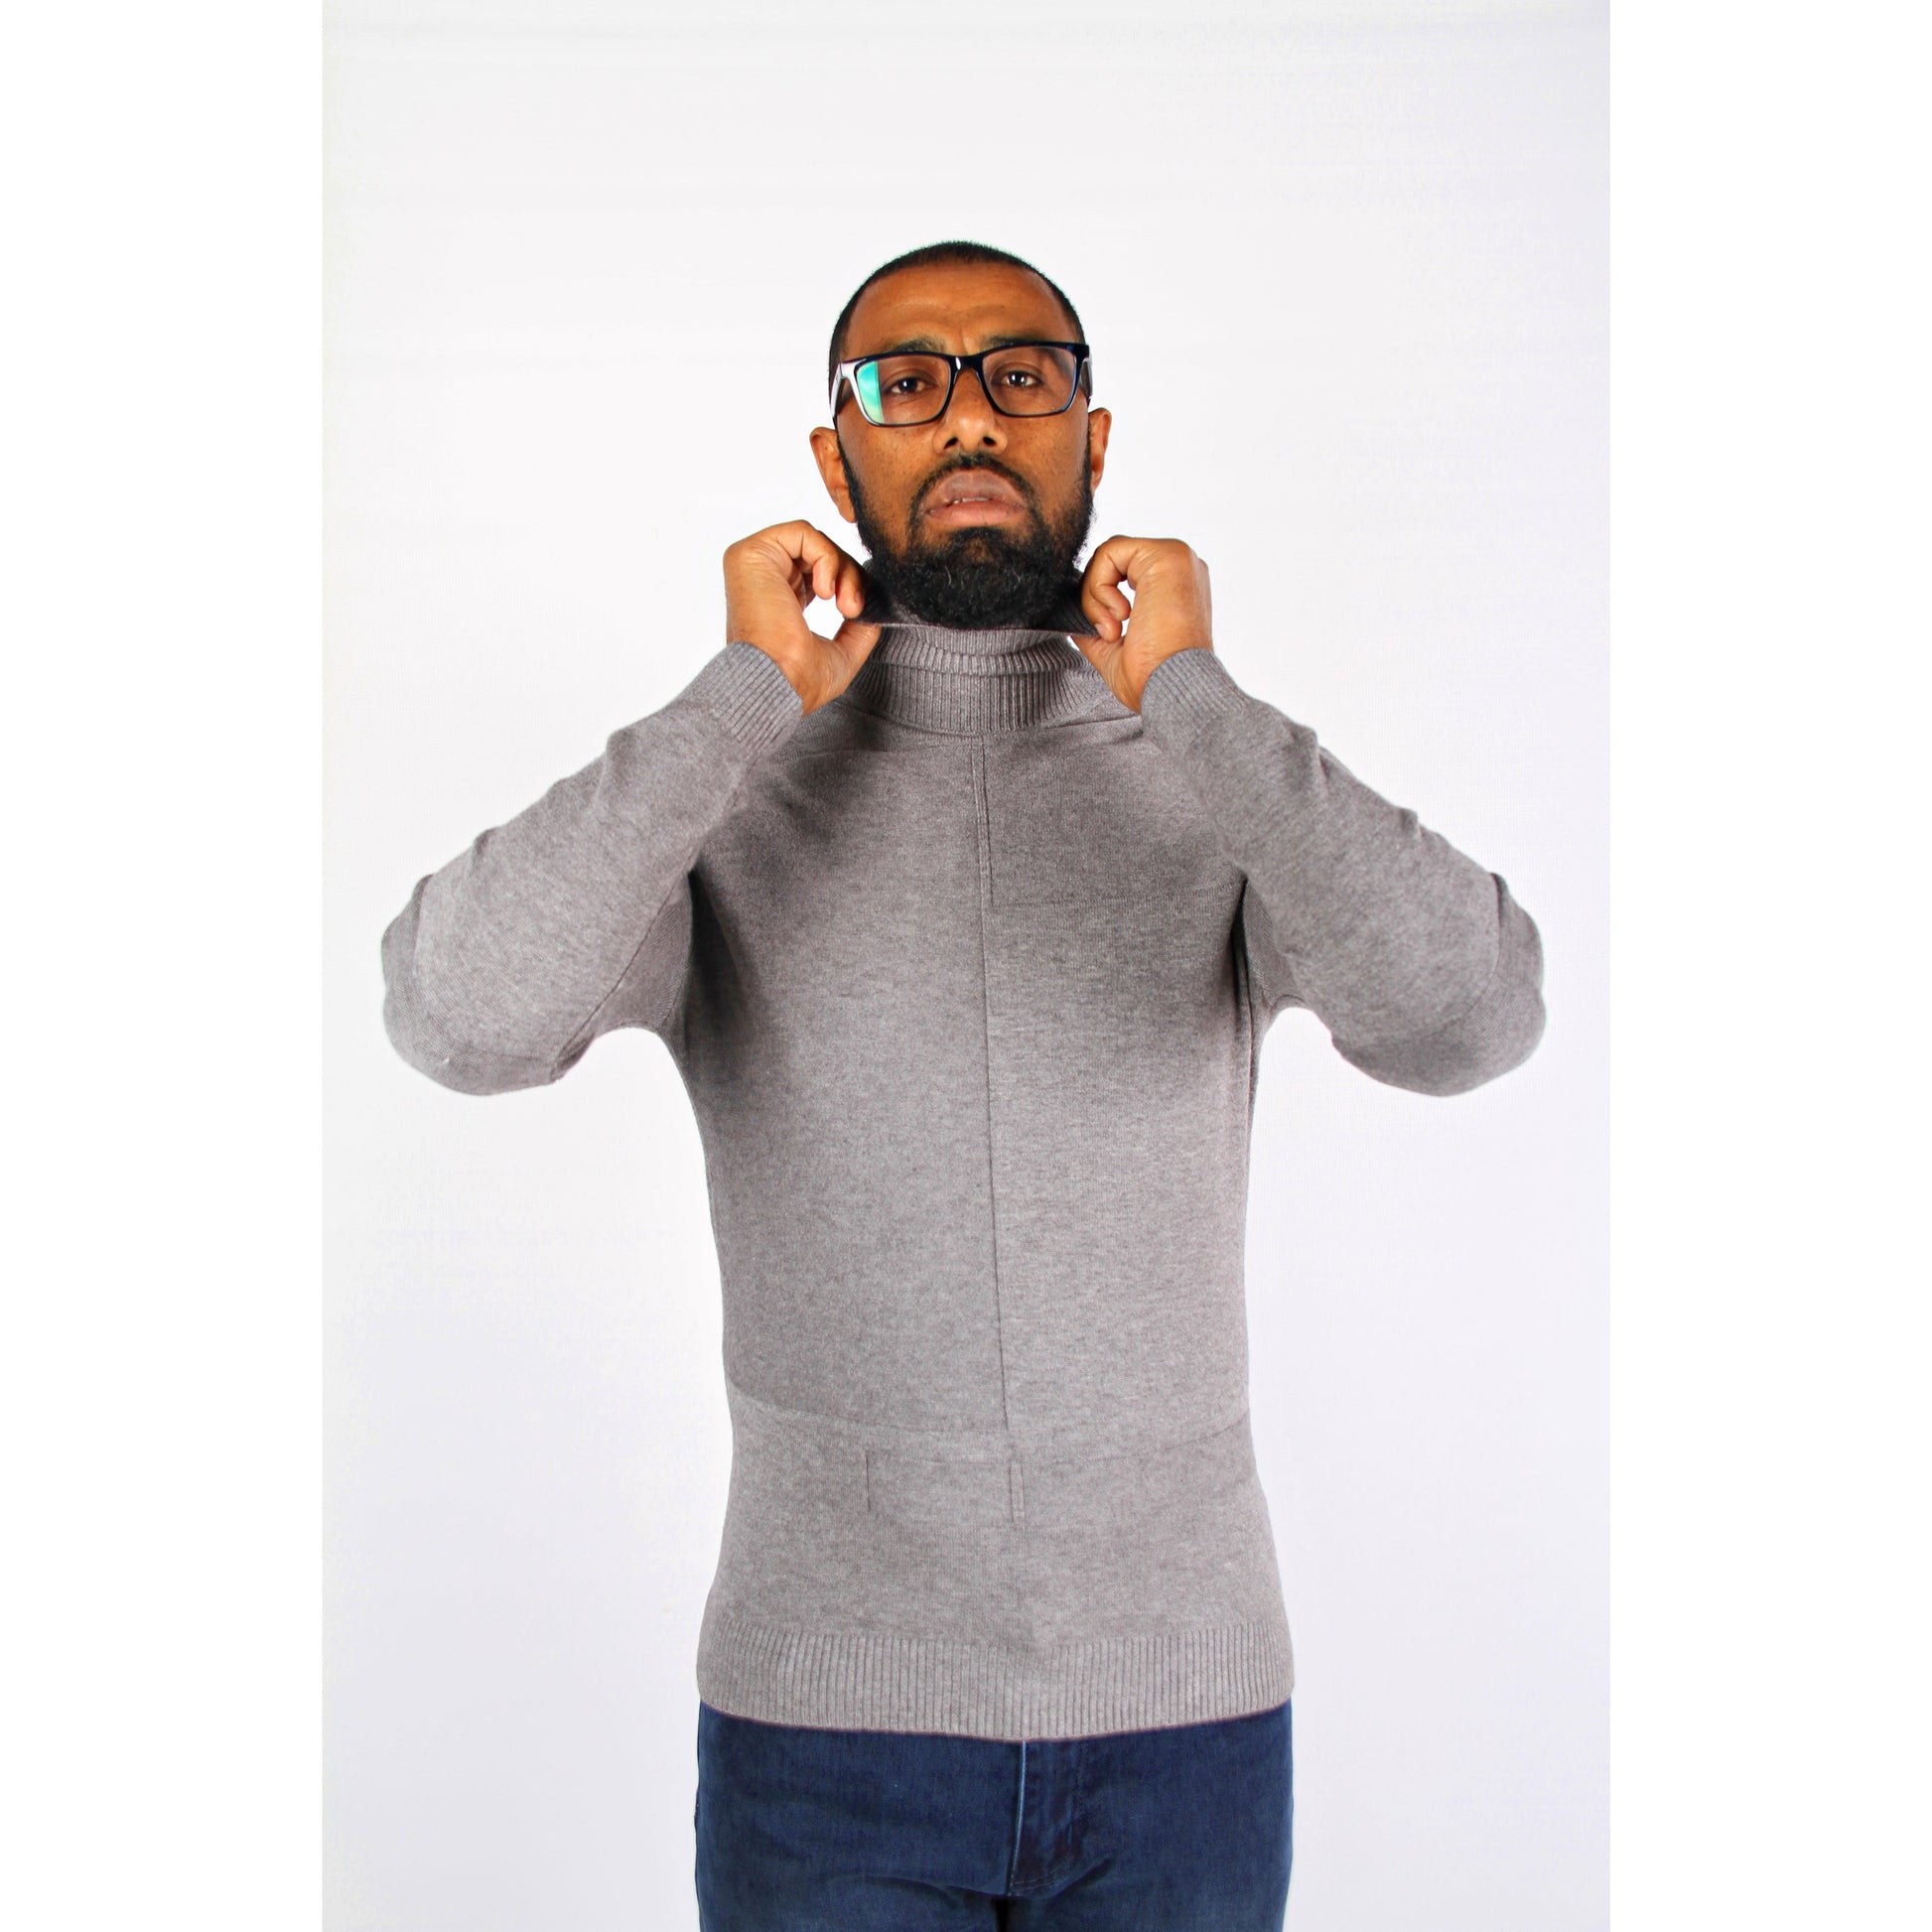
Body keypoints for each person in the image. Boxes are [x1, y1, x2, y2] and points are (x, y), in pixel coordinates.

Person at [380, 239, 1547, 1930]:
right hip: (822, 1720)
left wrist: (1195, 696)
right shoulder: (733, 787)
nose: (970, 418)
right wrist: (740, 691)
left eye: (1022, 375)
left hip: (1186, 1719)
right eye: (906, 382)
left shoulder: (1213, 775)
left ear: (1092, 434)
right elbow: (458, 1016)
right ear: (833, 454)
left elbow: (1470, 1019)